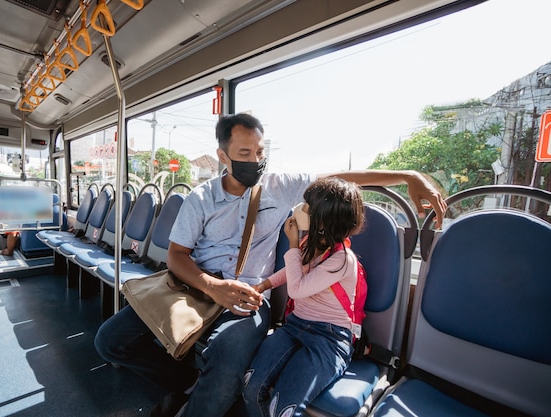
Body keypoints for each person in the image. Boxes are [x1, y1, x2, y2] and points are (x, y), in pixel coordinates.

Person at [94, 113, 447, 417]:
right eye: (244, 153)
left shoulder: (280, 187)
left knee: (227, 360)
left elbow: (342, 178)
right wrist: (213, 287)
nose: (255, 159)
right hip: (197, 286)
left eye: (260, 151)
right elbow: (176, 256)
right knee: (110, 341)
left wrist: (408, 176)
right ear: (223, 155)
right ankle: (185, 382)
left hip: (251, 293)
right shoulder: (201, 199)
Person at [243, 177, 364, 417]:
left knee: (283, 409)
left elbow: (296, 288)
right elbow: (294, 269)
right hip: (295, 326)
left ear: (324, 220)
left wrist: (293, 243)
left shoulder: (342, 260)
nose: (300, 209)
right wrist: (264, 284)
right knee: (250, 386)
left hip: (328, 337)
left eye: (307, 206)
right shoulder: (311, 242)